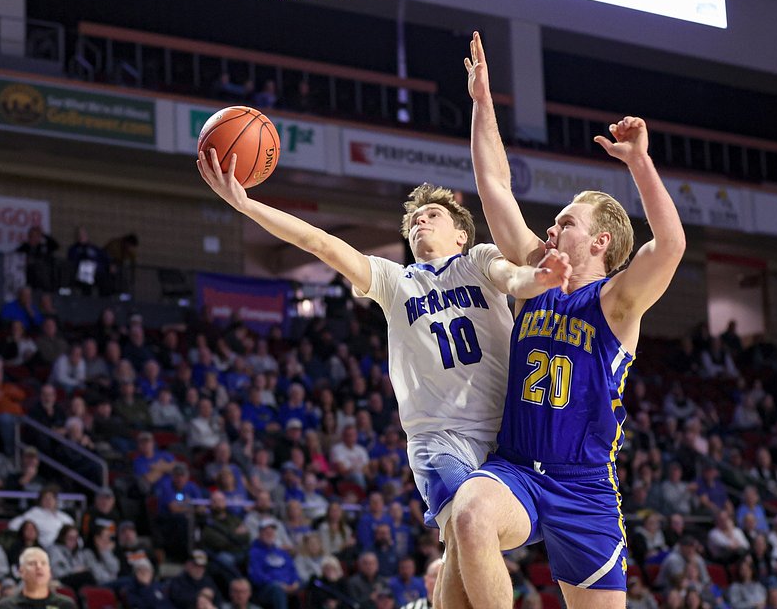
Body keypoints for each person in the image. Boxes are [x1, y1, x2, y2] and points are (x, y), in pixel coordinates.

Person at [198, 135, 569, 603]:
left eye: (431, 215)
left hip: (506, 433)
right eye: (413, 220)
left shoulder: (477, 260)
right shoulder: (395, 280)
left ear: (461, 234)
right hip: (440, 440)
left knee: (463, 547)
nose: (419, 221)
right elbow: (319, 242)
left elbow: (512, 277)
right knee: (465, 524)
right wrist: (247, 205)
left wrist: (539, 278)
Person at [453, 31, 685, 608]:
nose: (551, 229)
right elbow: (494, 185)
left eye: (565, 223)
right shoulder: (534, 273)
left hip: (583, 488)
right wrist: (483, 102)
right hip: (517, 470)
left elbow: (671, 245)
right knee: (470, 513)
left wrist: (640, 163)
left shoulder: (617, 301)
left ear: (601, 242)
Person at [0, 548, 76, 609]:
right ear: (21, 572)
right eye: (32, 563)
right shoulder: (6, 606)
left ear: (50, 572)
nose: (39, 567)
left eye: (43, 563)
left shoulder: (65, 605)